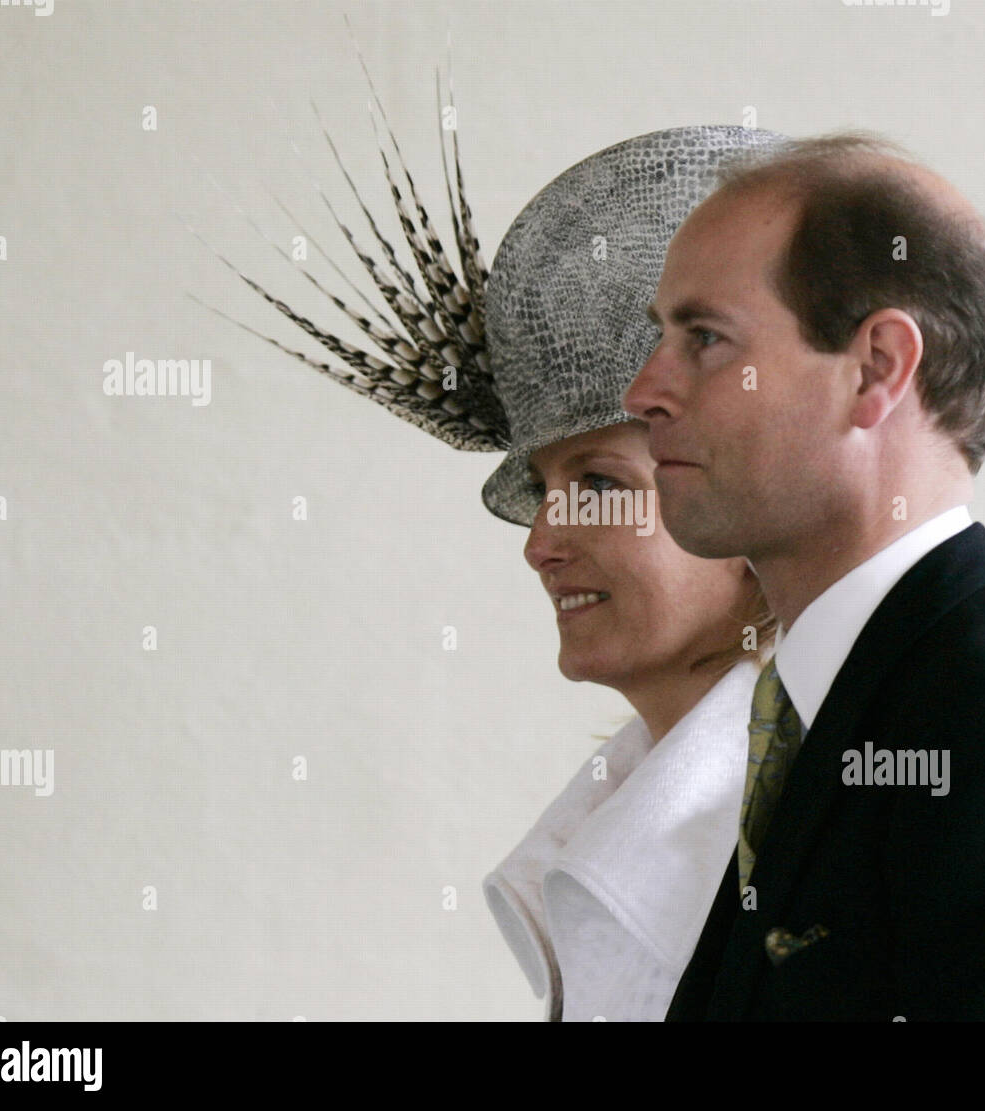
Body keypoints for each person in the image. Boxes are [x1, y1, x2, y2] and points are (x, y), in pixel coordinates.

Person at [199, 103, 787, 1019]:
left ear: (755, 501)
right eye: (546, 489)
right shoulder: (616, 820)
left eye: (597, 482)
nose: (540, 543)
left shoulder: (822, 836)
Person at [623, 131, 985, 1020]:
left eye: (705, 338)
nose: (644, 390)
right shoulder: (851, 704)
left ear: (878, 368)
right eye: (660, 335)